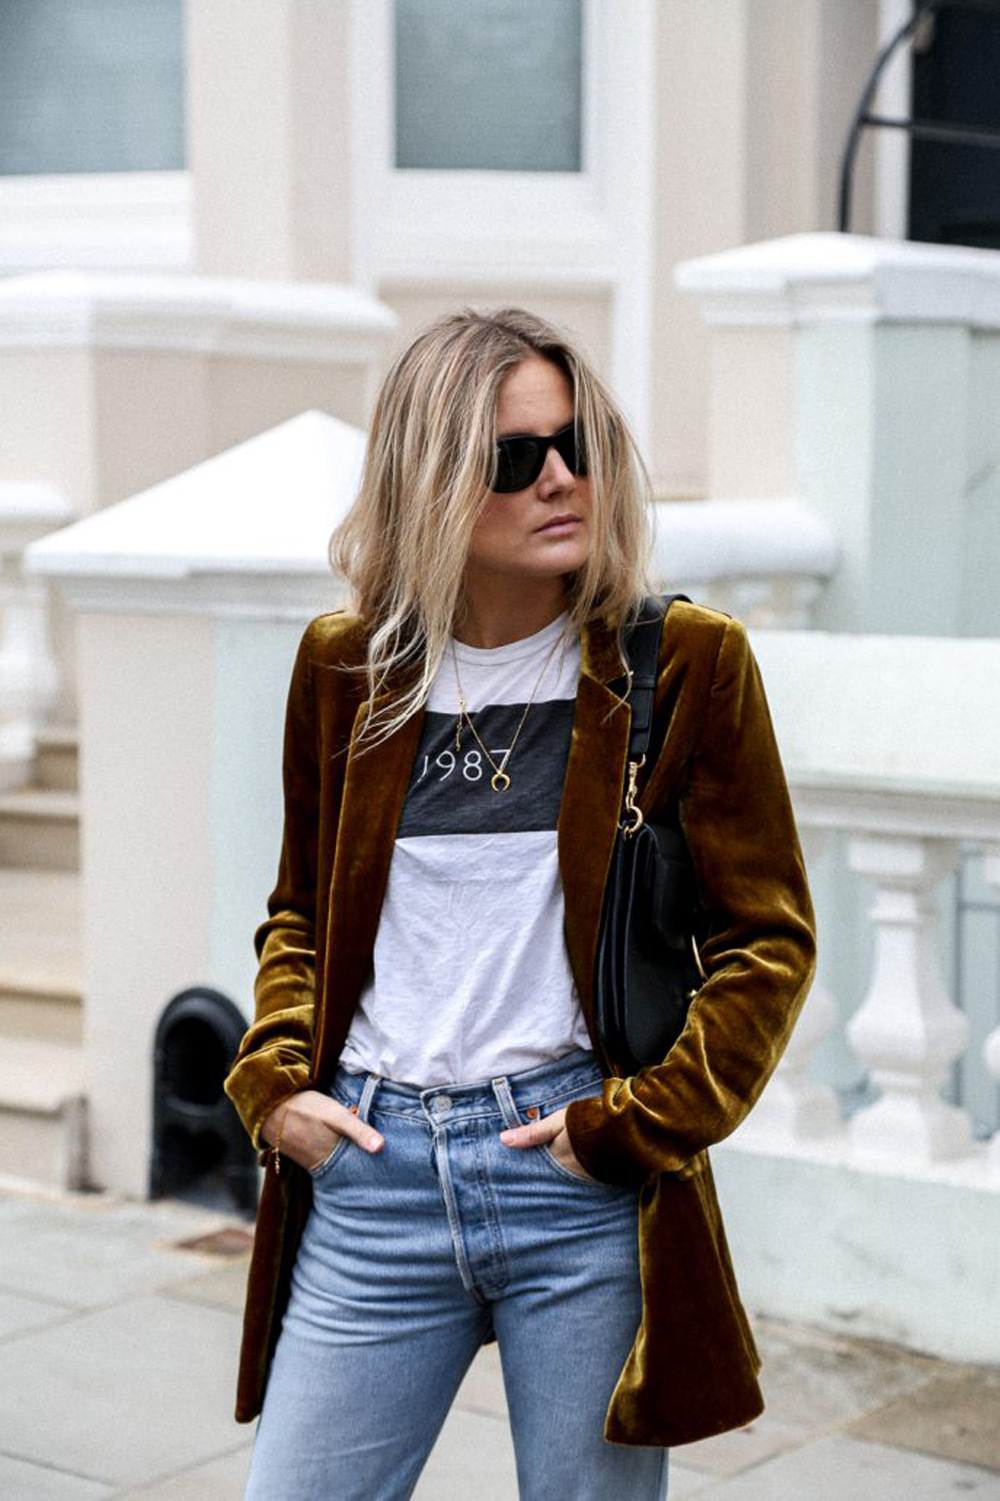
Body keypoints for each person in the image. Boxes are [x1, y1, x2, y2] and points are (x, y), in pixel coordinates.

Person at [224, 306, 816, 1500]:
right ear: (431, 477)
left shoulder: (680, 663)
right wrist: (274, 1087)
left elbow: (766, 940)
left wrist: (632, 1128)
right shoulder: (348, 668)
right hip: (374, 1170)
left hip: (572, 1177)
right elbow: (303, 914)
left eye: (576, 444)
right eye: (514, 457)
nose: (560, 478)